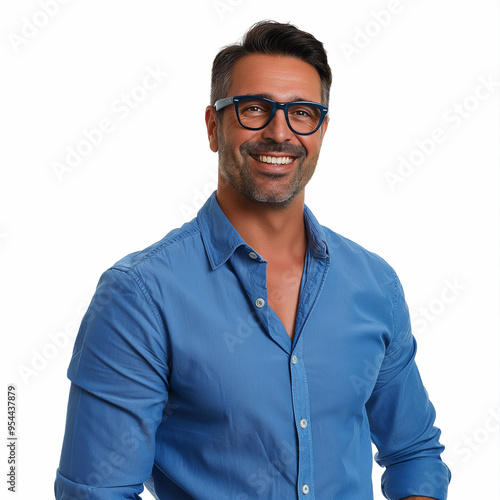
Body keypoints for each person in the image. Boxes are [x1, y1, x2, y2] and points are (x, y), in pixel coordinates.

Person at [55, 21, 451, 500]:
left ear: (322, 130)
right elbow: (98, 492)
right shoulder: (140, 295)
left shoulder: (374, 284)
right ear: (213, 126)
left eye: (302, 113)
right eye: (254, 109)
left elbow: (413, 452)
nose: (279, 132)